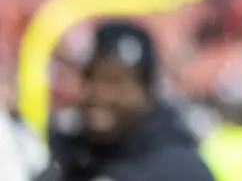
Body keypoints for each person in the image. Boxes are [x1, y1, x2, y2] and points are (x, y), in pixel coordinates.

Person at [36, 21, 215, 181]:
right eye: (90, 79)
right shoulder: (70, 160)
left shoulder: (178, 169)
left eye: (115, 83)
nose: (99, 94)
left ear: (147, 91)